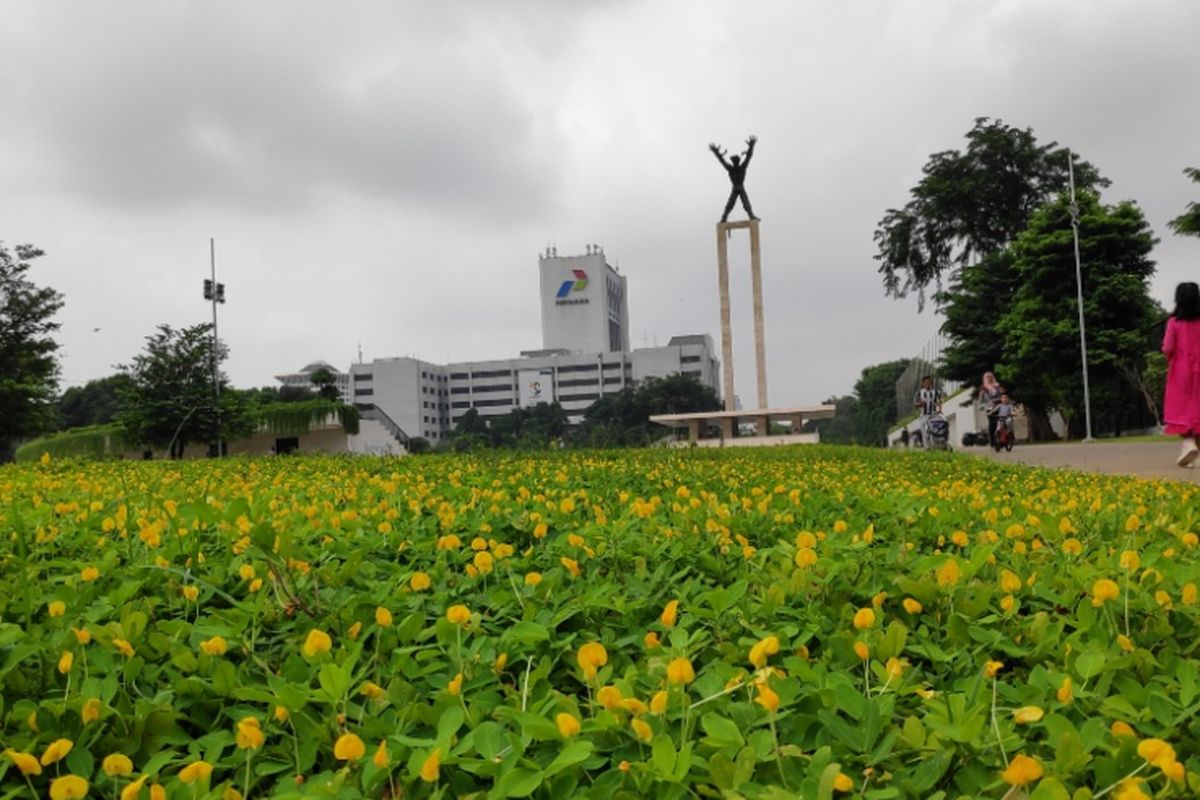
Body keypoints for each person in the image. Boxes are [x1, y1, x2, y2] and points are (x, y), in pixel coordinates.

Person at [1162, 282, 1200, 466]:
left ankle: (1188, 442)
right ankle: (1196, 453)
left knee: (1181, 408)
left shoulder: (1174, 322)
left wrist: (1168, 354)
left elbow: (1168, 347)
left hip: (1181, 372)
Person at [913, 376, 942, 450]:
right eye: (926, 382)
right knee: (924, 432)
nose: (928, 383)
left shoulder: (935, 392)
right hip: (923, 415)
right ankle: (927, 448)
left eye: (929, 382)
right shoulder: (919, 393)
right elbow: (915, 404)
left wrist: (939, 409)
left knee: (932, 430)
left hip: (932, 414)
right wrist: (920, 403)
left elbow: (939, 401)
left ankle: (934, 446)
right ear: (923, 383)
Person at [978, 371, 1005, 447]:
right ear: (985, 378)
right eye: (987, 377)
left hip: (999, 406)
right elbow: (981, 400)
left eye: (991, 376)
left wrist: (1001, 397)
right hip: (989, 408)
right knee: (992, 424)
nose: (989, 378)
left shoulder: (997, 386)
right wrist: (984, 405)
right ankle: (992, 442)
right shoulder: (983, 388)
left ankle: (1003, 440)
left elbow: (1002, 395)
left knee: (1002, 422)